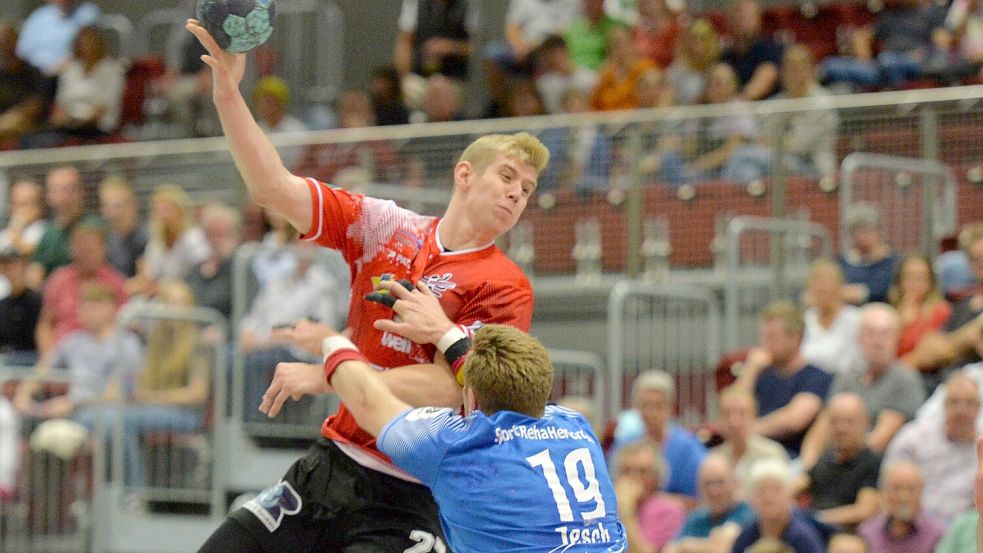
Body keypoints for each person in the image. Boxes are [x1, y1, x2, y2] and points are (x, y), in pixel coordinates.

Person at [187, 16, 549, 551]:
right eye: (508, 176)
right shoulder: (385, 225)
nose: (518, 194)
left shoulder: (507, 285)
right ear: (466, 174)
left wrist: (332, 372)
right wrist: (228, 94)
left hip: (408, 491)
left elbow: (457, 389)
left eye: (528, 188)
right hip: (327, 468)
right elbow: (271, 188)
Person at [258, 323, 626, 552]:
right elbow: (495, 385)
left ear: (472, 398)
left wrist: (333, 342)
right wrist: (444, 334)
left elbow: (369, 402)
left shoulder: (458, 445)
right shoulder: (575, 426)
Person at [799, 303, 924, 468]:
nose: (877, 341)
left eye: (885, 334)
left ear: (897, 338)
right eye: (870, 333)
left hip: (873, 469)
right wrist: (809, 468)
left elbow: (879, 440)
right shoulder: (848, 376)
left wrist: (834, 470)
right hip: (832, 464)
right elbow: (823, 425)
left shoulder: (905, 379)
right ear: (859, 338)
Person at [733, 300, 832, 457]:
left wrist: (745, 431)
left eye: (772, 337)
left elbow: (794, 420)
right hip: (749, 455)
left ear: (796, 338)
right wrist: (750, 370)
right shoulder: (761, 375)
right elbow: (732, 407)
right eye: (763, 336)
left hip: (790, 458)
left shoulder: (817, 377)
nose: (765, 344)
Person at [883, 371, 980, 526]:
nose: (962, 410)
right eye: (955, 402)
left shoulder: (981, 448)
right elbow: (888, 485)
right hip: (911, 525)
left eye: (970, 403)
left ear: (979, 408)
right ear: (944, 405)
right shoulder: (913, 437)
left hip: (962, 534)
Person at [611, 370, 708, 500]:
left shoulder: (688, 448)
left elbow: (698, 498)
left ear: (670, 407)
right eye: (645, 405)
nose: (651, 412)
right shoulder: (624, 444)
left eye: (658, 406)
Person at [34, 223, 127, 355]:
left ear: (103, 249)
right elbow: (45, 325)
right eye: (80, 247)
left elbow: (121, 327)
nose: (85, 252)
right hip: (60, 357)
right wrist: (48, 357)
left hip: (101, 356)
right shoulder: (59, 279)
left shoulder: (116, 282)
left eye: (90, 248)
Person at [795, 393, 881, 529]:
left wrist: (818, 519)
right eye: (835, 421)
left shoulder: (872, 463)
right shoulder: (825, 459)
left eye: (849, 421)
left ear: (865, 423)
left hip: (848, 534)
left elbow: (864, 511)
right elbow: (798, 485)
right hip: (816, 529)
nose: (841, 428)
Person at [729, 458, 825, 553]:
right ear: (751, 499)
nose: (769, 497)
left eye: (776, 490)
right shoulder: (746, 537)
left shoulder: (803, 537)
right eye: (761, 491)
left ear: (788, 495)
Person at [664, 454, 754, 553]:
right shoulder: (696, 518)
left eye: (720, 482)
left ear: (735, 483)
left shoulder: (747, 513)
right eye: (707, 484)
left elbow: (723, 549)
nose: (714, 491)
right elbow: (670, 549)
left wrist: (686, 545)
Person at [856, 461, 945, 553]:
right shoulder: (867, 533)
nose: (904, 496)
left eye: (911, 489)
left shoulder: (937, 535)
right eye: (896, 489)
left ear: (921, 492)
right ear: (884, 493)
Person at [613, 440, 686, 552]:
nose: (634, 477)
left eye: (642, 471)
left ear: (656, 477)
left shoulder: (669, 510)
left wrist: (626, 510)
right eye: (626, 471)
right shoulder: (606, 509)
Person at [711, 386, 789, 486]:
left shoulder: (771, 454)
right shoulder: (713, 460)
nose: (734, 422)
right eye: (727, 414)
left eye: (742, 413)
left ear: (754, 416)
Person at [801, 259, 861, 376]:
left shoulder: (856, 319)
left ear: (840, 286)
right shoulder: (805, 320)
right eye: (818, 282)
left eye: (828, 282)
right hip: (810, 384)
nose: (823, 288)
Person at [838, 203, 901, 305]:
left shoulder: (894, 263)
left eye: (865, 231)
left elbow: (884, 291)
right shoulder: (842, 263)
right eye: (854, 232)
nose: (860, 237)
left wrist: (858, 293)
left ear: (879, 231)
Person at [889, 254, 951, 357]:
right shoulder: (890, 312)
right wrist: (900, 323)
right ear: (899, 281)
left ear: (931, 282)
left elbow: (934, 351)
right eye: (909, 277)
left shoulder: (941, 311)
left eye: (921, 278)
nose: (914, 283)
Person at [15, 0, 100, 76]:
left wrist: (59, 67)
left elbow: (87, 48)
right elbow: (22, 51)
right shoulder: (38, 16)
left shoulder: (88, 13)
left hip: (69, 72)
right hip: (35, 74)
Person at [720, 0, 783, 101]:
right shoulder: (725, 55)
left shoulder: (770, 48)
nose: (741, 22)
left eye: (747, 17)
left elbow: (767, 76)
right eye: (737, 17)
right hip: (732, 111)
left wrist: (739, 102)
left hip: (767, 109)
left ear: (758, 20)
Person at [98, 176, 148, 279]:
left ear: (133, 205)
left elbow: (146, 282)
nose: (113, 213)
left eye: (118, 206)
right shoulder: (107, 241)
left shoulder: (148, 239)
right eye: (107, 206)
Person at [0, 246, 42, 366]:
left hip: (30, 361)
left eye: (13, 264)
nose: (9, 269)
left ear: (23, 266)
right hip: (6, 361)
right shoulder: (2, 305)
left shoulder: (36, 300)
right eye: (4, 265)